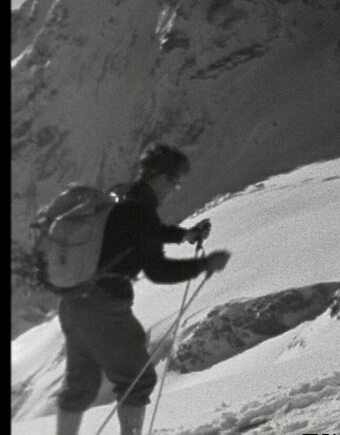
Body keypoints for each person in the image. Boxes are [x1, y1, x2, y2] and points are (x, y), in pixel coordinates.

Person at [55, 143, 231, 435]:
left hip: (73, 302)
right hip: (104, 306)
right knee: (138, 380)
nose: (174, 189)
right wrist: (204, 264)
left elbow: (141, 235)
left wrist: (183, 235)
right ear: (160, 178)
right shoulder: (141, 211)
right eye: (174, 182)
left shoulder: (118, 198)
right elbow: (157, 271)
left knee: (79, 386)